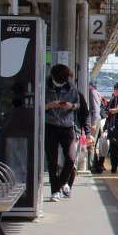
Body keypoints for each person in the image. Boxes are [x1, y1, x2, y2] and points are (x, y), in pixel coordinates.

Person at [43, 64, 79, 203]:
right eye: (61, 80)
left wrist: (71, 106)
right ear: (53, 77)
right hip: (50, 125)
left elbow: (78, 104)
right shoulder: (45, 87)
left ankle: (62, 183)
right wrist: (49, 106)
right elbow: (37, 105)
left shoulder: (71, 88)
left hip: (67, 126)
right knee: (52, 160)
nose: (64, 82)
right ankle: (55, 191)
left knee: (71, 158)